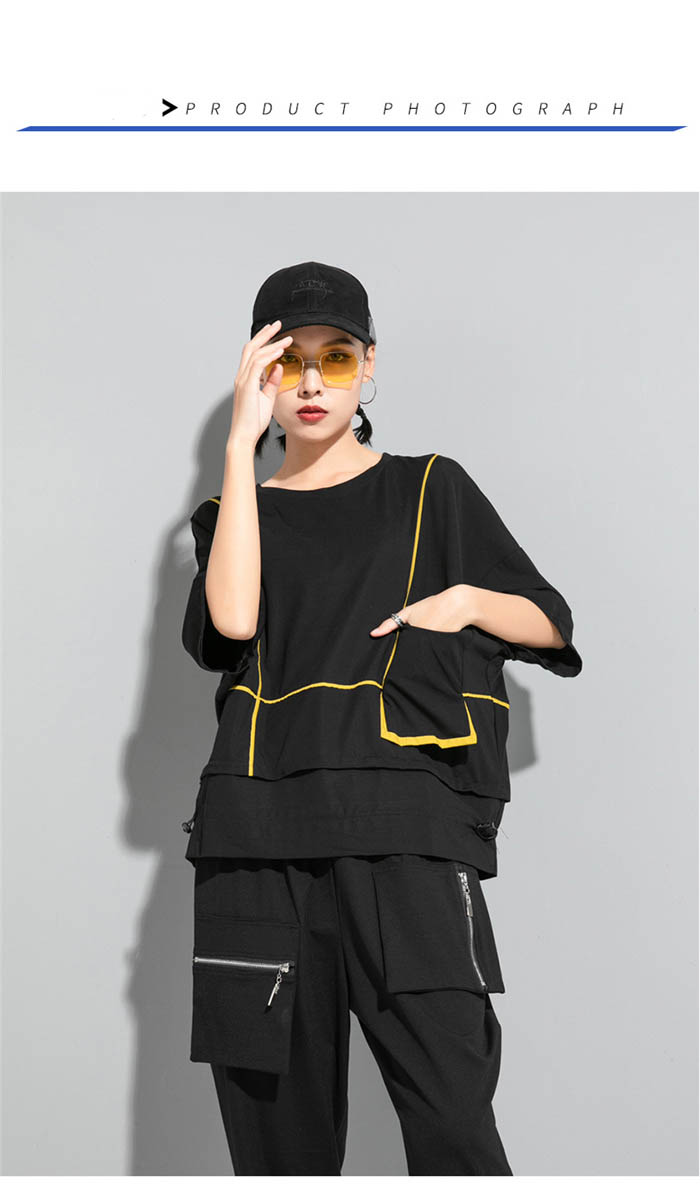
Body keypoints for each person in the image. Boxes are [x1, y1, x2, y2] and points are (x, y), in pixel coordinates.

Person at [180, 261, 583, 1176]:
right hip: (255, 840)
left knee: (453, 1125)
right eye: (287, 362)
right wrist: (239, 448)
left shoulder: (430, 489)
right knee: (278, 1151)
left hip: (405, 836)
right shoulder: (232, 515)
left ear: (369, 368)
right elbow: (233, 621)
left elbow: (551, 621)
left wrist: (465, 601)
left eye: (336, 357)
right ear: (258, 375)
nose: (312, 381)